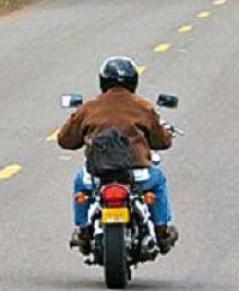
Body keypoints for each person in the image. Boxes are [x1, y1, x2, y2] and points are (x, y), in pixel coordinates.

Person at [57, 56, 178, 255]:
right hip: (137, 175)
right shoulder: (143, 107)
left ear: (102, 80)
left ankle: (84, 232)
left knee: (80, 182)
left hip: (98, 175)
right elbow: (162, 141)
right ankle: (161, 232)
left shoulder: (89, 108)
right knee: (158, 181)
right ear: (133, 81)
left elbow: (65, 140)